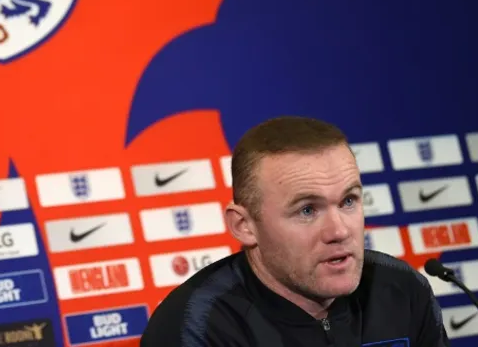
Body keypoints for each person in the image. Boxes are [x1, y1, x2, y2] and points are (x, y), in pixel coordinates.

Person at [141, 116, 450, 346]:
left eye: (348, 201)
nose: (339, 231)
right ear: (244, 226)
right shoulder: (197, 326)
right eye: (307, 210)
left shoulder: (402, 290)